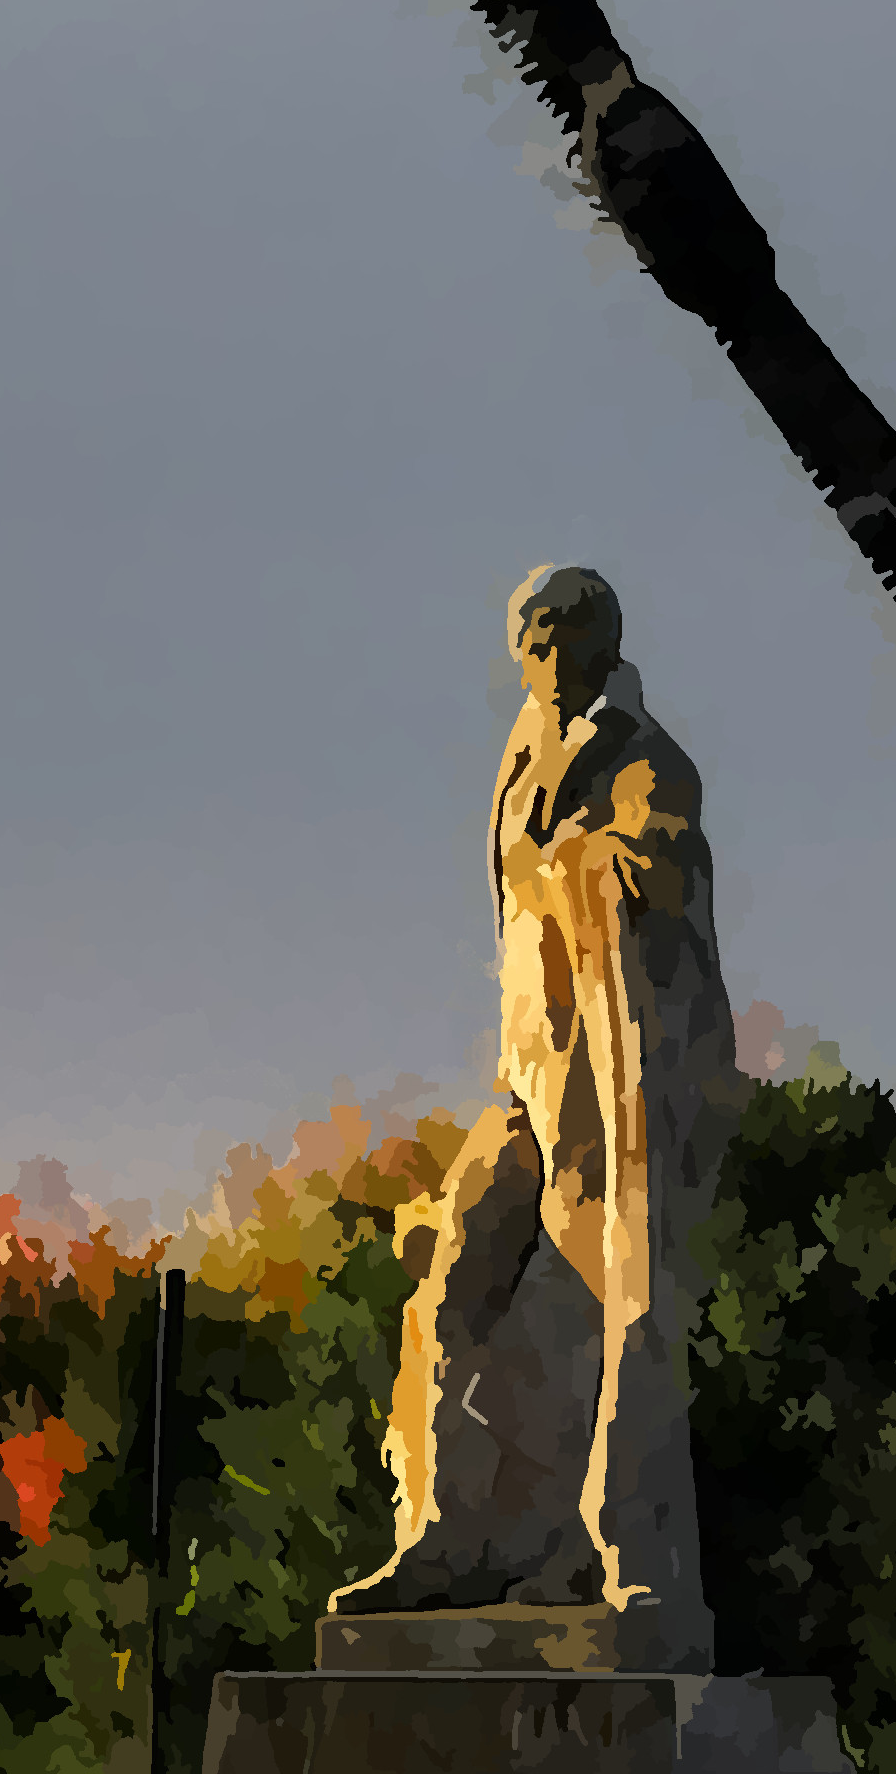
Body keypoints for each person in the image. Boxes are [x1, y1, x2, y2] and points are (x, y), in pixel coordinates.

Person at [333, 566, 742, 1639]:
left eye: (562, 630)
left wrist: (592, 866)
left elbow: (662, 873)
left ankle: (615, 1555)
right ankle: (443, 1533)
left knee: (610, 1318)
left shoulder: (648, 760)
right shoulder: (520, 755)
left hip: (612, 1091)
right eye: (532, 633)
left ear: (605, 640)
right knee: (450, 1280)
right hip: (525, 1078)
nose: (545, 650)